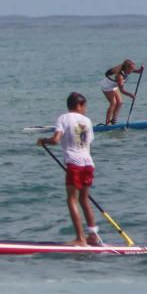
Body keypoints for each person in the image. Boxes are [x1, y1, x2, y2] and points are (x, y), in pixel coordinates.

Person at [36, 92, 103, 246]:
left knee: (72, 199)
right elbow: (87, 143)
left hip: (74, 164)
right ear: (78, 105)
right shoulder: (87, 121)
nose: (85, 110)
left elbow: (55, 140)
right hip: (89, 163)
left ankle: (80, 238)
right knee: (84, 199)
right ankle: (93, 236)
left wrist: (43, 140)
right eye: (84, 106)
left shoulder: (63, 118)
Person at [100, 59, 143, 125]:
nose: (132, 71)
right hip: (107, 86)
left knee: (120, 102)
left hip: (113, 85)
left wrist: (140, 70)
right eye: (131, 69)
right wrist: (130, 94)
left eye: (133, 69)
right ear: (127, 68)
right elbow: (122, 90)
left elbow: (136, 71)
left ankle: (114, 121)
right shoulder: (120, 76)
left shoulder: (127, 69)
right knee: (113, 103)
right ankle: (107, 123)